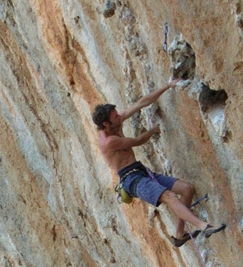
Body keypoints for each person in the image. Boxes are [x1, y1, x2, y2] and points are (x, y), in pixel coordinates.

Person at [93, 80, 226, 247]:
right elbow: (138, 140)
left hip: (140, 171)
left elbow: (142, 103)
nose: (119, 116)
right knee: (169, 196)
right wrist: (154, 130)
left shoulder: (116, 123)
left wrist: (167, 85)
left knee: (187, 189)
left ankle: (179, 234)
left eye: (117, 114)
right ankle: (203, 226)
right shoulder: (109, 142)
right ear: (106, 124)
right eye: (115, 116)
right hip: (131, 180)